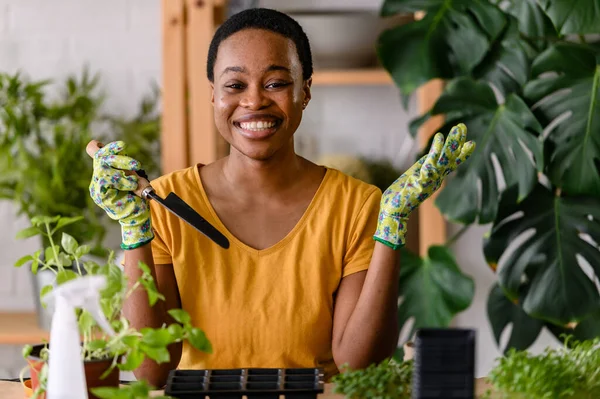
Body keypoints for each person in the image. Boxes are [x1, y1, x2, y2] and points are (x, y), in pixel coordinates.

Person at [89, 8, 475, 388]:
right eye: (235, 85)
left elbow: (357, 365)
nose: (254, 101)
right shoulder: (165, 202)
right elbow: (151, 372)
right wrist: (133, 228)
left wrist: (391, 223)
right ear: (213, 96)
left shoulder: (355, 205)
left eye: (276, 83)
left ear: (305, 91)